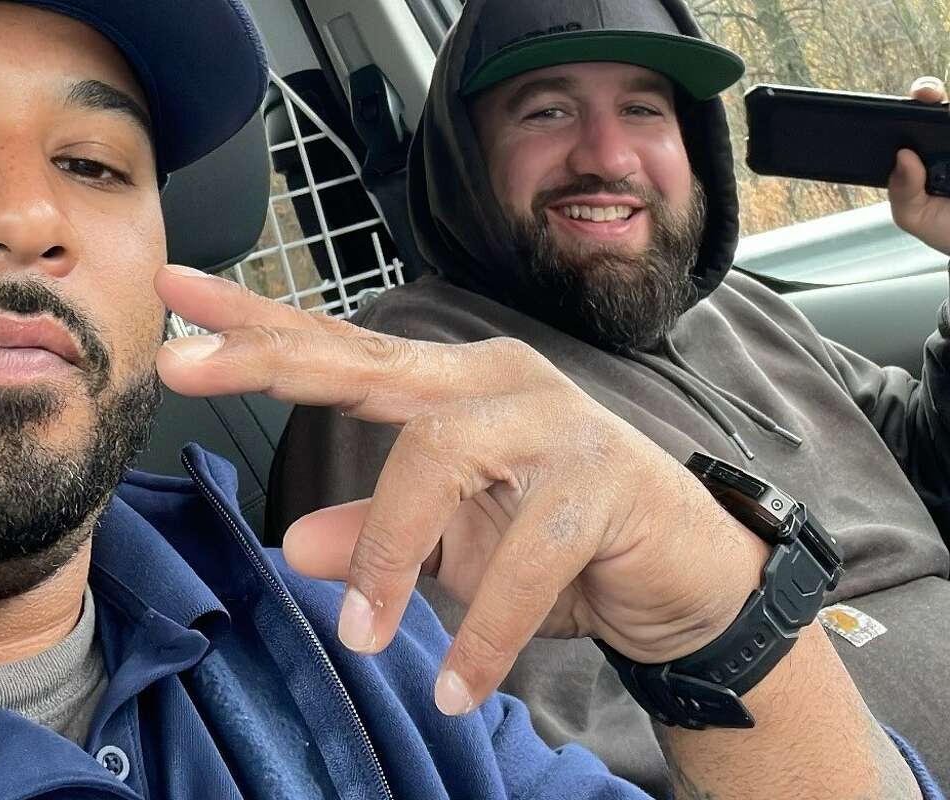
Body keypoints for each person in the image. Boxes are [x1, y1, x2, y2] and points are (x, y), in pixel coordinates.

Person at [0, 1, 939, 799]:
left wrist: (725, 628)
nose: (29, 213)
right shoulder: (399, 474)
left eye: (95, 164)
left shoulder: (333, 637)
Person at [268, 0, 950, 795]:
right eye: (548, 111)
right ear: (465, 156)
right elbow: (529, 749)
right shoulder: (409, 379)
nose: (607, 156)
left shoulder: (738, 307)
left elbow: (926, 466)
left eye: (642, 109)